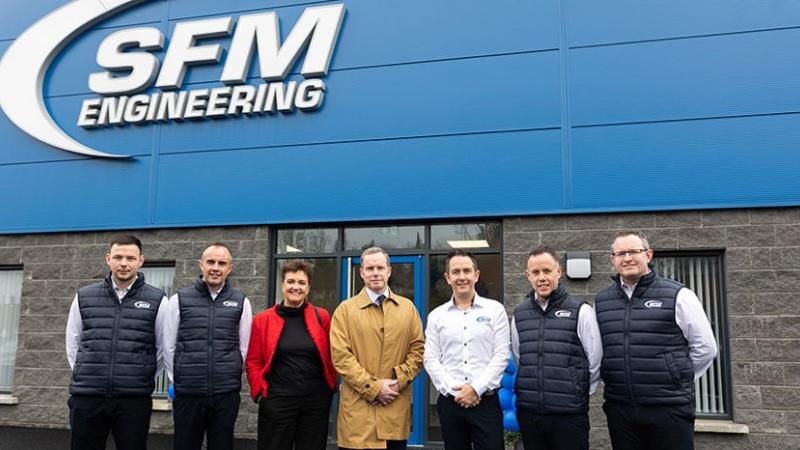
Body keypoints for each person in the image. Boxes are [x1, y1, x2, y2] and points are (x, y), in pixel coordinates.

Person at [596, 231, 718, 450]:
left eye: (634, 251)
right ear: (613, 259)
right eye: (621, 253)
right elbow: (599, 350)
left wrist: (677, 376)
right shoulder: (602, 301)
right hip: (621, 408)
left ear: (648, 255)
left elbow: (706, 347)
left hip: (668, 408)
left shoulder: (678, 295)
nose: (627, 258)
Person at [65, 235, 168, 450]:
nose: (123, 263)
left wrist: (141, 376)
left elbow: (162, 348)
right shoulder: (84, 296)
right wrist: (87, 373)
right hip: (88, 396)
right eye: (118, 257)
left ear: (140, 261)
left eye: (130, 258)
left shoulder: (158, 300)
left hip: (133, 399)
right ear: (108, 259)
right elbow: (73, 341)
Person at [330, 246, 425, 450]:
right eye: (370, 268)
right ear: (361, 272)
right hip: (359, 416)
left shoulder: (407, 309)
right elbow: (341, 357)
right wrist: (374, 388)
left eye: (380, 268)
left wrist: (398, 382)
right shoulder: (345, 311)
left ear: (389, 271)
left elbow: (418, 351)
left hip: (394, 411)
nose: (375, 273)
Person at [162, 243, 253, 450]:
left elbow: (243, 348)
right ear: (201, 265)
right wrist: (179, 379)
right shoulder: (179, 300)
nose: (215, 268)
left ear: (229, 268)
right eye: (211, 262)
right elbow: (168, 345)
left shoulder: (241, 302)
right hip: (188, 392)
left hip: (225, 393)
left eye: (222, 263)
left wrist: (229, 375)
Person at [510, 247, 602, 450]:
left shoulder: (581, 311)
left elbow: (595, 359)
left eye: (547, 271)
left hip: (569, 414)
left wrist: (579, 392)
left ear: (558, 272)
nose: (541, 278)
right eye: (535, 272)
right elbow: (519, 358)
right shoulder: (519, 314)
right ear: (528, 276)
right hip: (530, 413)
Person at [245, 260, 337, 450]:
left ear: (308, 287)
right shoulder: (262, 320)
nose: (296, 287)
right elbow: (253, 361)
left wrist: (330, 386)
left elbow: (330, 356)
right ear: (283, 284)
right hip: (277, 401)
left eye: (302, 283)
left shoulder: (321, 316)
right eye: (291, 281)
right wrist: (260, 393)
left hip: (315, 402)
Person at [424, 249, 509, 450]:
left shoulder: (495, 310)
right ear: (448, 277)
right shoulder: (436, 316)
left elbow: (501, 355)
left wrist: (475, 389)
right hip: (450, 403)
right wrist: (455, 391)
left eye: (467, 271)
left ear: (476, 275)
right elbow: (430, 358)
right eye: (456, 272)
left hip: (486, 402)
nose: (462, 277)